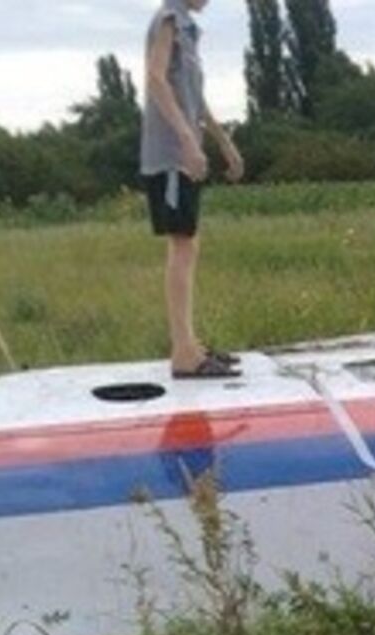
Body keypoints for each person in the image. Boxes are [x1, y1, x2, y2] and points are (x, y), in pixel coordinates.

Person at [141, 0, 245, 379]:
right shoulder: (169, 19)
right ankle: (184, 352)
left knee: (189, 241)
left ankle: (190, 344)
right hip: (170, 155)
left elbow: (195, 99)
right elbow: (155, 78)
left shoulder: (188, 29)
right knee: (182, 243)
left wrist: (222, 141)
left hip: (185, 153)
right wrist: (186, 138)